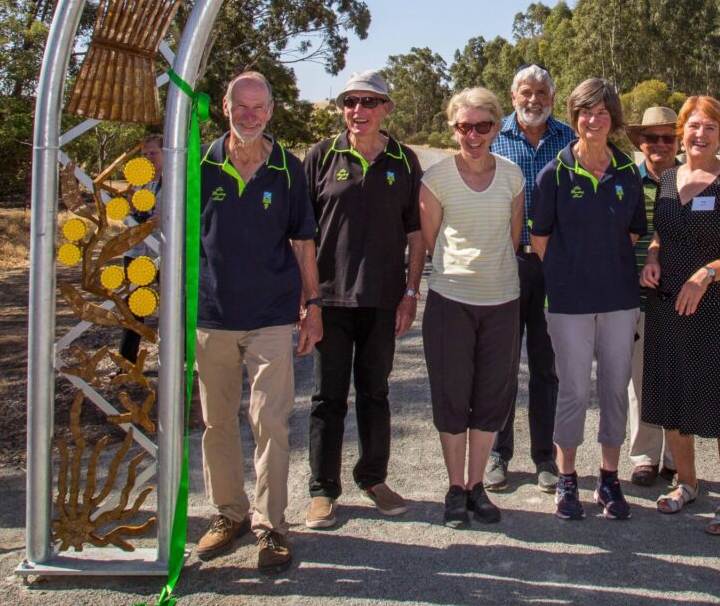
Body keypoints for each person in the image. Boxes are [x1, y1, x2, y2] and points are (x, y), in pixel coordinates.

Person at [194, 71, 322, 574]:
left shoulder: (288, 169)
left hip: (271, 316)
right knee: (218, 422)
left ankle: (271, 526)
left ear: (271, 111)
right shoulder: (199, 163)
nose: (250, 116)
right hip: (212, 315)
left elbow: (303, 241)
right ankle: (230, 514)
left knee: (269, 421)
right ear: (225, 108)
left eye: (259, 108)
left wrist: (313, 306)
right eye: (241, 107)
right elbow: (177, 234)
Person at [302, 70, 424, 529]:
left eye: (369, 102)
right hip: (329, 300)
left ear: (386, 108)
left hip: (382, 299)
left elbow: (416, 234)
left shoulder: (404, 160)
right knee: (327, 398)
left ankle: (373, 478)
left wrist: (410, 293)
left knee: (375, 393)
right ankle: (322, 491)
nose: (359, 110)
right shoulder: (320, 156)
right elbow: (301, 235)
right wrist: (308, 299)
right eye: (350, 101)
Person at [640, 95, 720, 536]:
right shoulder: (669, 179)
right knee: (672, 394)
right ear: (682, 133)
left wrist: (707, 274)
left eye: (710, 127)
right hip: (668, 303)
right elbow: (661, 235)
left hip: (718, 306)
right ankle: (686, 483)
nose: (700, 134)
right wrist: (653, 258)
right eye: (693, 126)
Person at [530, 78, 646, 521]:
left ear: (613, 118)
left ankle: (609, 478)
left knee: (615, 388)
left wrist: (603, 263)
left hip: (619, 299)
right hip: (568, 303)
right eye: (585, 112)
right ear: (574, 117)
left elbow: (633, 231)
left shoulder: (627, 172)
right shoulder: (554, 173)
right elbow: (540, 238)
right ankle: (567, 478)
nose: (593, 120)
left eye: (602, 113)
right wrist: (571, 270)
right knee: (574, 390)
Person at [419, 88, 524, 528]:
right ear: (454, 129)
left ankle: (477, 485)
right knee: (451, 396)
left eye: (483, 126)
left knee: (490, 397)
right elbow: (431, 240)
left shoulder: (513, 176)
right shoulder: (436, 179)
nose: (474, 135)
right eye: (465, 126)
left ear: (497, 127)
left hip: (502, 302)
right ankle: (455, 488)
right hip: (450, 303)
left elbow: (513, 238)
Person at [485, 64, 573, 493]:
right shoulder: (492, 136)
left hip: (553, 268)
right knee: (500, 364)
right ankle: (497, 454)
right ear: (513, 95)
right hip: (505, 263)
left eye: (541, 92)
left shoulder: (569, 140)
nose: (533, 99)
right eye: (526, 91)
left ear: (552, 98)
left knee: (545, 366)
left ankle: (544, 457)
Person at [624, 107, 678, 488]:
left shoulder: (692, 180)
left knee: (679, 378)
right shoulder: (627, 181)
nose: (659, 144)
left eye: (667, 137)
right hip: (637, 296)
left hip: (684, 298)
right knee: (640, 380)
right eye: (651, 138)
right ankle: (644, 456)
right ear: (640, 143)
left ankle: (676, 457)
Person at [120, 132, 163, 363]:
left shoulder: (180, 181)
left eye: (153, 153)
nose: (148, 158)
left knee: (173, 306)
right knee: (134, 307)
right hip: (137, 250)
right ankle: (127, 363)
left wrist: (167, 219)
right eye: (145, 154)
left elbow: (194, 214)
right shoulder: (137, 182)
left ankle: (180, 359)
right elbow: (125, 213)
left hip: (165, 251)